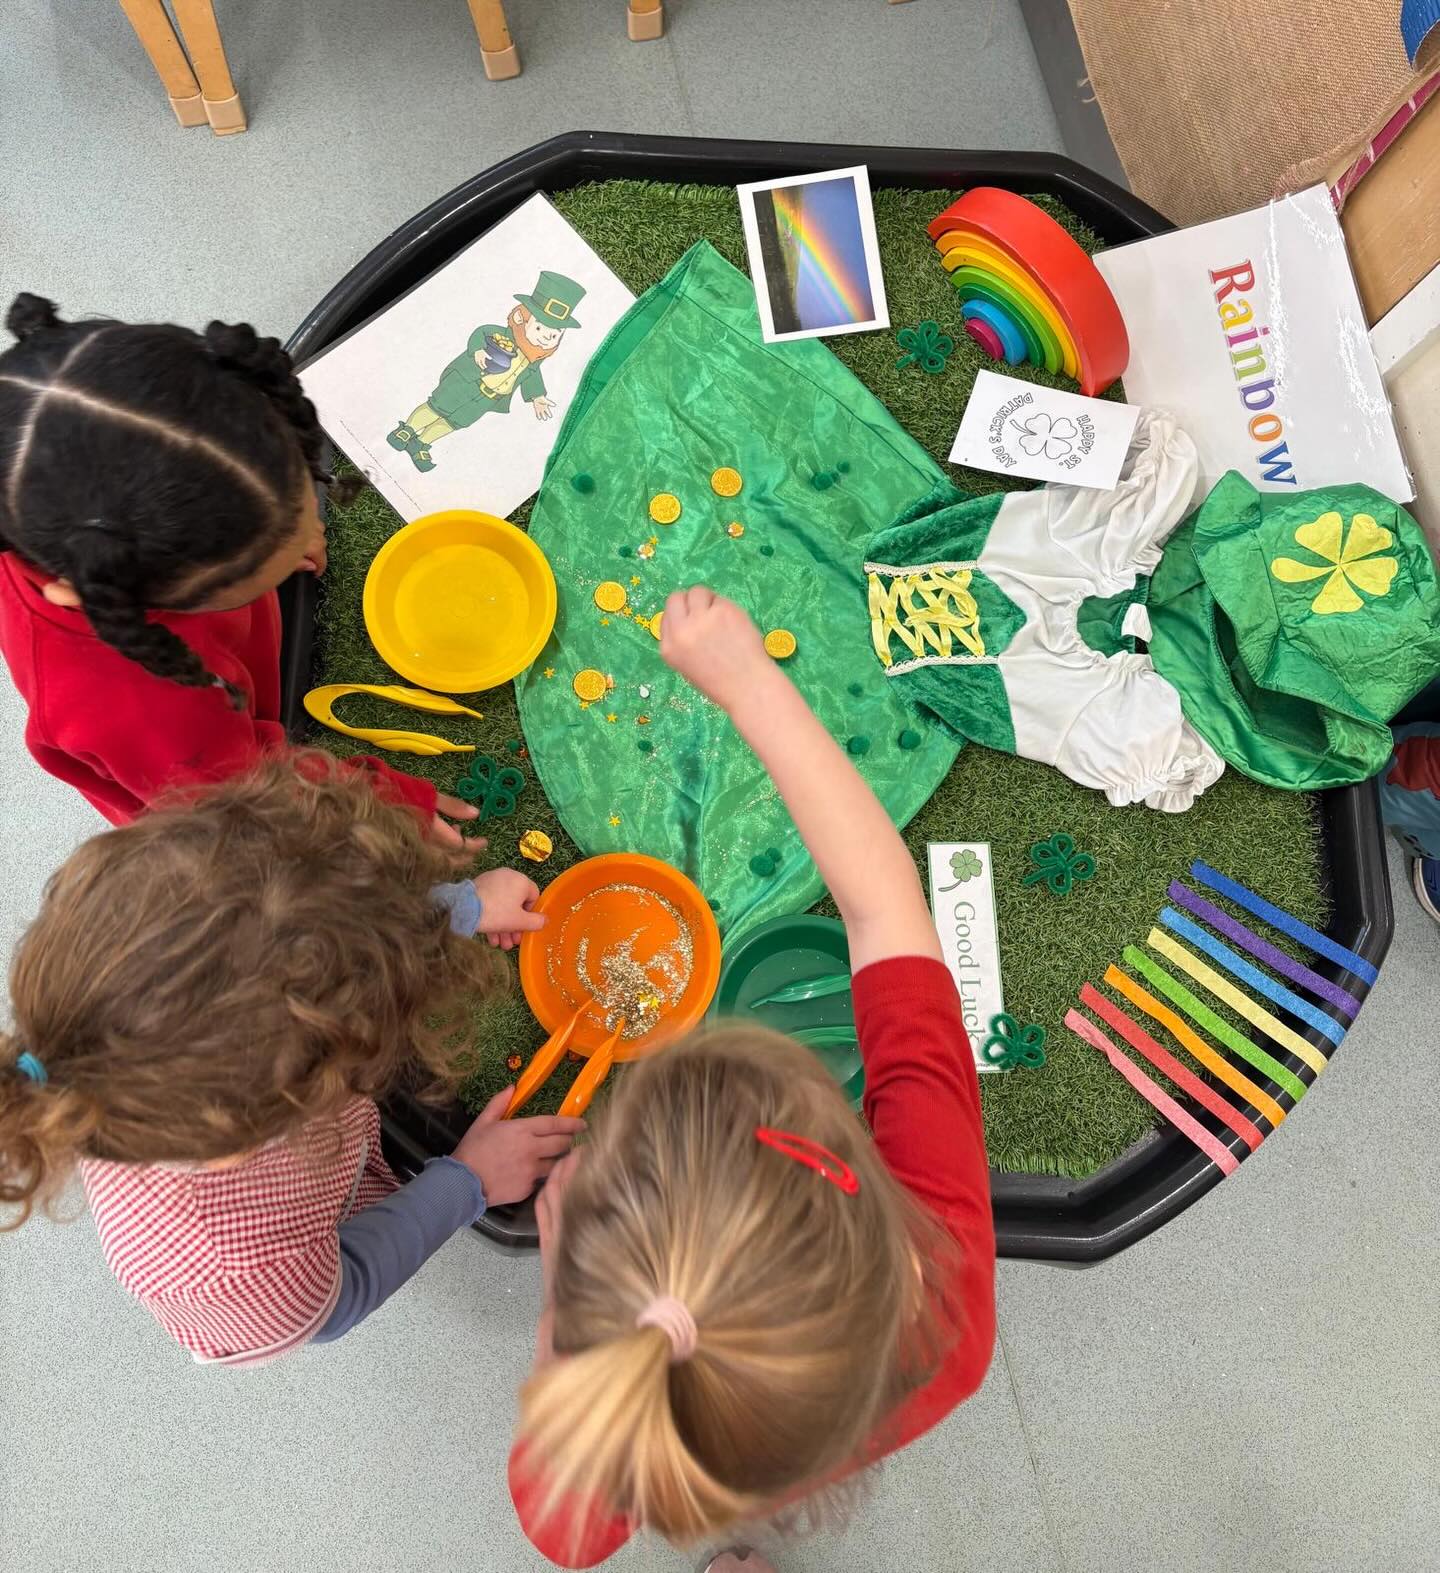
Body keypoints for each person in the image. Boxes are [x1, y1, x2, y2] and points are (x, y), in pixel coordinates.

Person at [508, 587, 996, 1569]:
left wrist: (564, 1297)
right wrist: (750, 684)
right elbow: (883, 910)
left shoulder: (585, 1475)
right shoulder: (950, 1315)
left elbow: (565, 1538)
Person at [0, 757, 579, 1365]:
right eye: (354, 1025)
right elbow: (343, 1291)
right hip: (319, 1215)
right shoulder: (230, 1273)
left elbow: (303, 928)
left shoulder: (157, 968)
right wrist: (466, 1182)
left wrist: (457, 908)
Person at [0, 293, 474, 844]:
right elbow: (252, 800)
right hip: (207, 789)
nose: (303, 537)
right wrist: (381, 798)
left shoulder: (82, 496)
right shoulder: (136, 704)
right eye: (256, 568)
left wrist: (282, 524)